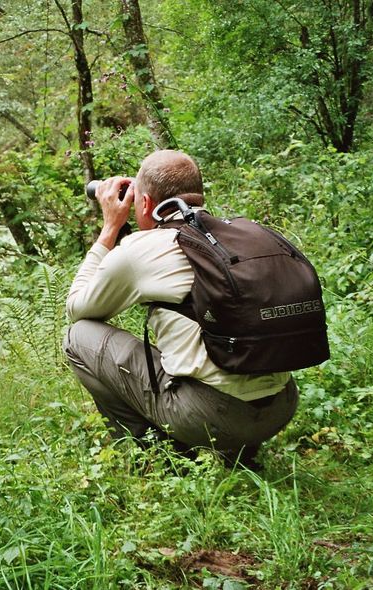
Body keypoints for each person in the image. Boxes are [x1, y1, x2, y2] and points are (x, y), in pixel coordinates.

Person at [62, 150, 298, 468]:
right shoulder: (242, 235)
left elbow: (78, 309)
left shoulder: (142, 249)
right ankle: (241, 455)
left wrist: (109, 229)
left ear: (144, 204)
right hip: (281, 406)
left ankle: (162, 459)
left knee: (77, 337)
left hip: (212, 416)